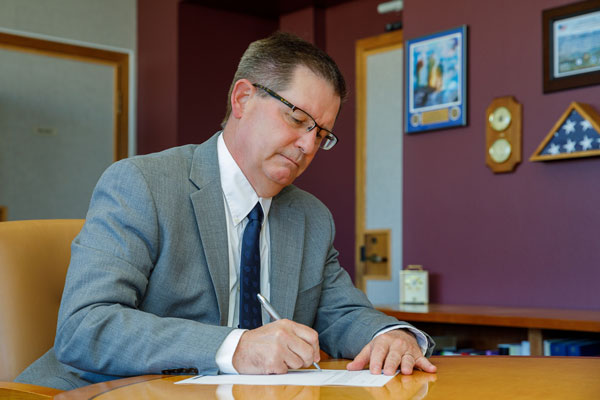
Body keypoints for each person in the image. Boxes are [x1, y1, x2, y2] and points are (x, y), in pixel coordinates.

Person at [16, 32, 436, 390]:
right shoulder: (142, 184)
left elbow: (342, 312)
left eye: (321, 133)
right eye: (297, 118)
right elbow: (85, 327)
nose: (308, 146)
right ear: (242, 98)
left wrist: (391, 334)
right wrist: (236, 347)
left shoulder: (311, 217)